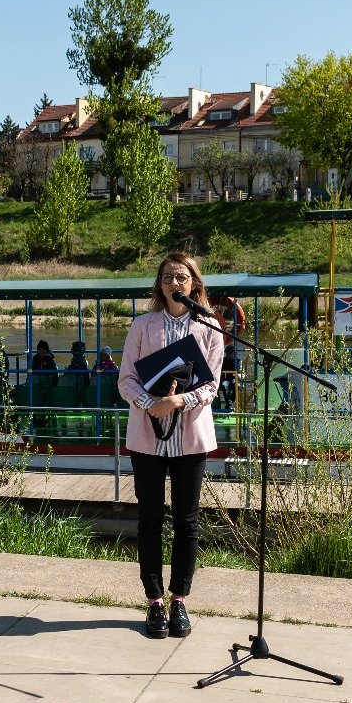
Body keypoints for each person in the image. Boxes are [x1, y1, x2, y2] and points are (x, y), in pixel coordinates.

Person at [117, 252, 225, 640]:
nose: (174, 283)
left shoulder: (209, 325)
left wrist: (179, 401)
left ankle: (180, 599)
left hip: (191, 436)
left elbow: (211, 385)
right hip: (147, 437)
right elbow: (126, 379)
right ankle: (154, 603)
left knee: (186, 520)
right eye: (167, 277)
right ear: (159, 285)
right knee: (149, 520)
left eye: (181, 277)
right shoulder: (142, 326)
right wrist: (152, 404)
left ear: (194, 282)